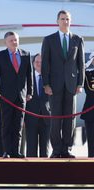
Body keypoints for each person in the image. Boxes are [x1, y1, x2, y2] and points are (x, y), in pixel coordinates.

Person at [41, 10, 85, 158]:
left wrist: (80, 84)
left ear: (70, 21)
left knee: (70, 119)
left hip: (71, 86)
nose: (65, 21)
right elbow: (45, 64)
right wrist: (46, 84)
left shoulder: (77, 39)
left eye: (67, 19)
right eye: (62, 19)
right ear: (57, 21)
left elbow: (81, 64)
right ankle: (56, 149)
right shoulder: (49, 40)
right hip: (54, 86)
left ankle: (67, 148)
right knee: (55, 119)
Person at [0, 31, 33, 158]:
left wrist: (30, 92)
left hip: (21, 96)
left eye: (16, 40)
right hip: (5, 97)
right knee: (7, 124)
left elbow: (29, 75)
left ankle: (16, 151)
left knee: (18, 125)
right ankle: (7, 151)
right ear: (5, 42)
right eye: (11, 40)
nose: (14, 42)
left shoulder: (26, 55)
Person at [24, 53, 50, 157]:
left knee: (45, 148)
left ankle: (45, 171)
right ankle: (31, 170)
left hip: (46, 117)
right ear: (33, 63)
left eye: (41, 62)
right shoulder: (27, 78)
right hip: (31, 117)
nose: (39, 64)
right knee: (31, 147)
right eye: (37, 62)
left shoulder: (50, 77)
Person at [81, 52, 94, 157]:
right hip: (90, 113)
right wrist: (85, 65)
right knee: (91, 140)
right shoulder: (88, 75)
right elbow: (78, 75)